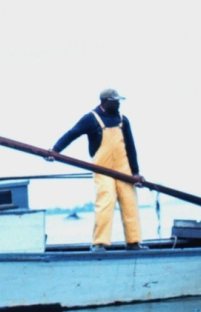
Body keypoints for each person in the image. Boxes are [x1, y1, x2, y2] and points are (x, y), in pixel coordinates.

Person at [50, 88, 146, 251]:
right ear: (106, 102)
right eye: (116, 101)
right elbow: (72, 134)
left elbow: (130, 147)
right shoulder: (91, 118)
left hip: (124, 169)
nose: (119, 104)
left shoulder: (123, 120)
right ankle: (99, 243)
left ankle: (133, 242)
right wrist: (55, 150)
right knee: (106, 200)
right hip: (102, 168)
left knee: (129, 201)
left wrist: (135, 172)